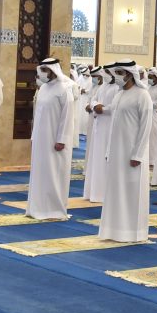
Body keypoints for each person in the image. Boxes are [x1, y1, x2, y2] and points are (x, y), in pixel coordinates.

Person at [98, 61, 152, 243]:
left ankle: (132, 232)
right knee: (116, 190)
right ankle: (114, 230)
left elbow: (146, 127)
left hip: (132, 153)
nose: (118, 76)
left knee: (132, 191)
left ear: (129, 74)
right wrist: (108, 150)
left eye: (120, 72)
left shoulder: (142, 95)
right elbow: (114, 124)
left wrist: (138, 154)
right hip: (116, 151)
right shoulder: (119, 94)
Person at [26, 58, 74, 220]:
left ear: (53, 71)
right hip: (41, 139)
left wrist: (62, 139)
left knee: (54, 173)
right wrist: (34, 135)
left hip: (56, 141)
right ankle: (38, 208)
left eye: (45, 70)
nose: (42, 74)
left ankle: (54, 210)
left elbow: (67, 117)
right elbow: (37, 115)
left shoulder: (63, 89)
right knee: (40, 172)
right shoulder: (44, 88)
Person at [83, 66, 119, 203]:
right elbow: (94, 99)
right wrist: (94, 106)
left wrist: (101, 108)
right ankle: (94, 191)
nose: (107, 75)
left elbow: (115, 107)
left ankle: (103, 193)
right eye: (106, 72)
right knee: (96, 158)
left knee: (105, 159)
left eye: (109, 72)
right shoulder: (103, 86)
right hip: (99, 127)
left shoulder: (118, 88)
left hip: (110, 126)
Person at [146, 67, 157, 167]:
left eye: (151, 77)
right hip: (148, 115)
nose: (149, 79)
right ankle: (149, 160)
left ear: (156, 78)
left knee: (154, 138)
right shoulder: (148, 88)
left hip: (156, 116)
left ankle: (154, 161)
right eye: (148, 77)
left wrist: (148, 103)